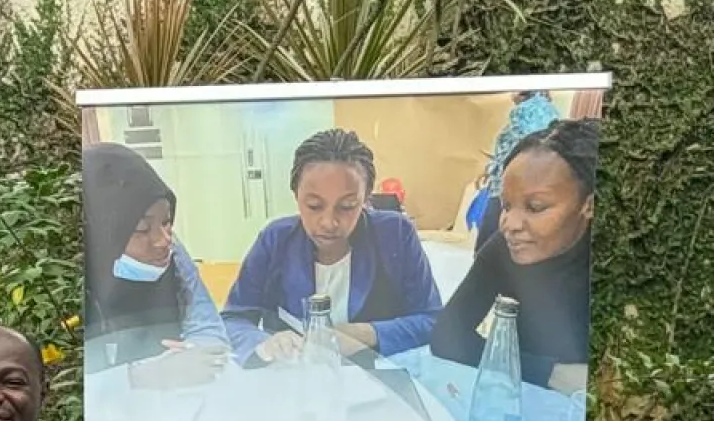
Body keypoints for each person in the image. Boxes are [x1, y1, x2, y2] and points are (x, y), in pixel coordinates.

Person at [221, 129, 441, 365]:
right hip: (293, 382)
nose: (329, 222)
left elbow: (433, 320)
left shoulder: (395, 234)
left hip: (376, 382)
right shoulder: (276, 240)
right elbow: (233, 319)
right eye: (314, 205)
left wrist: (369, 333)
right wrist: (264, 342)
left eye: (347, 206)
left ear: (366, 198)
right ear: (296, 194)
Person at [431, 119, 596, 393]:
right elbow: (447, 334)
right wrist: (550, 373)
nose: (509, 224)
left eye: (535, 207)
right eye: (506, 205)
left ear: (588, 205)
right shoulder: (504, 248)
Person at [80, 143, 227, 373]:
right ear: (102, 233)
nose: (164, 240)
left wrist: (195, 353)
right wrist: (140, 376)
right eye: (141, 228)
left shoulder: (173, 253)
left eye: (166, 221)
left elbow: (208, 327)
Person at [474, 90, 562, 241]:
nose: (511, 94)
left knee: (489, 245)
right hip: (523, 190)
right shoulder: (547, 112)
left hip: (513, 189)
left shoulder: (531, 110)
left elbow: (527, 149)